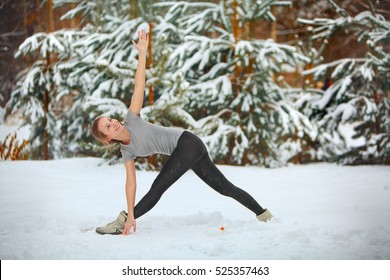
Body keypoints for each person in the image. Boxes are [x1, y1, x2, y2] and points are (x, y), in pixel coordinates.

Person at [91, 30, 273, 236]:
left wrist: (142, 54)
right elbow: (130, 183)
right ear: (107, 138)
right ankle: (265, 215)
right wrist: (132, 210)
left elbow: (139, 86)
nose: (113, 123)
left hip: (187, 143)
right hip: (190, 149)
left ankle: (121, 222)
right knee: (225, 188)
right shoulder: (127, 152)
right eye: (107, 126)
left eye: (110, 119)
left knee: (158, 186)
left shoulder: (131, 118)